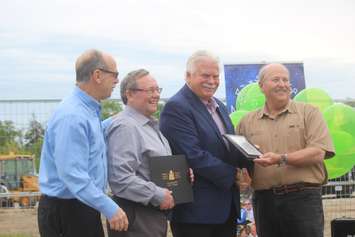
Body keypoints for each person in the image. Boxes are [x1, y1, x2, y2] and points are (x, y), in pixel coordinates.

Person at [237, 63, 335, 237]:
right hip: (264, 201)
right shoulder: (246, 122)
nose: (282, 84)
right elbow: (240, 160)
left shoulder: (309, 113)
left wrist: (281, 158)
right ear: (261, 86)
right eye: (276, 79)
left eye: (285, 80)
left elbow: (318, 152)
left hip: (303, 199)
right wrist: (241, 178)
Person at [38, 49, 128, 237]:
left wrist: (124, 117)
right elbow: (72, 174)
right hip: (69, 210)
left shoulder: (85, 110)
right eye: (115, 75)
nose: (117, 81)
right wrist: (109, 207)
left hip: (79, 207)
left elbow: (91, 136)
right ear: (97, 75)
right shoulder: (73, 116)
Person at [160, 50, 248, 237]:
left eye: (216, 76)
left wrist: (250, 162)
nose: (212, 81)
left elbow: (229, 147)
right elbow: (193, 155)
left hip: (225, 209)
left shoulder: (219, 106)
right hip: (196, 214)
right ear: (188, 76)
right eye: (205, 75)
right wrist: (234, 175)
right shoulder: (177, 107)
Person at [105, 69, 175, 237]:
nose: (156, 95)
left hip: (150, 216)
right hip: (136, 217)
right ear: (129, 94)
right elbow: (119, 178)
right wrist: (157, 194)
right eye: (150, 90)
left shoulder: (148, 126)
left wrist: (183, 176)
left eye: (158, 90)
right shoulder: (126, 127)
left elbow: (154, 167)